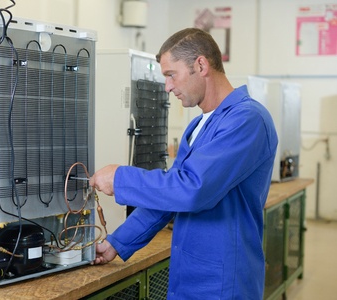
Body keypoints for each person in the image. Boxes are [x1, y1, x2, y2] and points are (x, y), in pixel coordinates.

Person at [89, 28, 278, 299]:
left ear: (200, 65)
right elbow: (170, 197)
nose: (167, 87)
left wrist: (121, 178)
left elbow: (192, 189)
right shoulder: (198, 125)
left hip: (224, 282)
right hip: (189, 276)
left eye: (170, 75)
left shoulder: (247, 120)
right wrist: (117, 243)